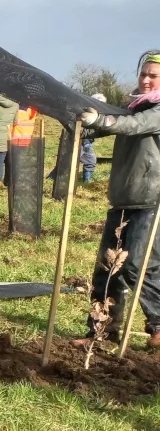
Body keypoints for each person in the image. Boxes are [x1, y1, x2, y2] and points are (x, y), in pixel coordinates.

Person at [77, 53, 160, 348]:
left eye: (154, 75)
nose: (147, 79)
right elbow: (106, 126)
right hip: (122, 199)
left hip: (153, 202)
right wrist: (81, 120)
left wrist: (103, 118)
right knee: (106, 267)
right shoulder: (132, 107)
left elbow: (134, 125)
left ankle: (158, 325)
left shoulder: (154, 112)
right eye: (144, 74)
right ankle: (102, 330)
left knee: (139, 264)